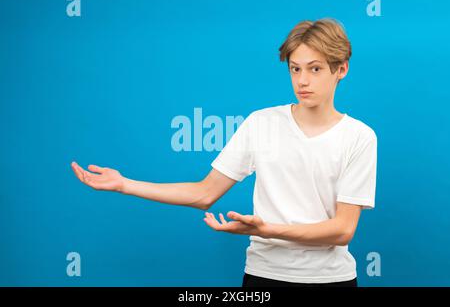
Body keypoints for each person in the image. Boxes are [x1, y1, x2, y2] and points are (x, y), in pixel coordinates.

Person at [71, 17, 377, 287]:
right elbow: (205, 193)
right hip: (263, 276)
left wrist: (268, 229)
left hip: (329, 280)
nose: (302, 80)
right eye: (295, 69)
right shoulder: (261, 123)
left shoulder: (359, 137)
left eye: (315, 69)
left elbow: (342, 230)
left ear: (341, 69)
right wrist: (125, 184)